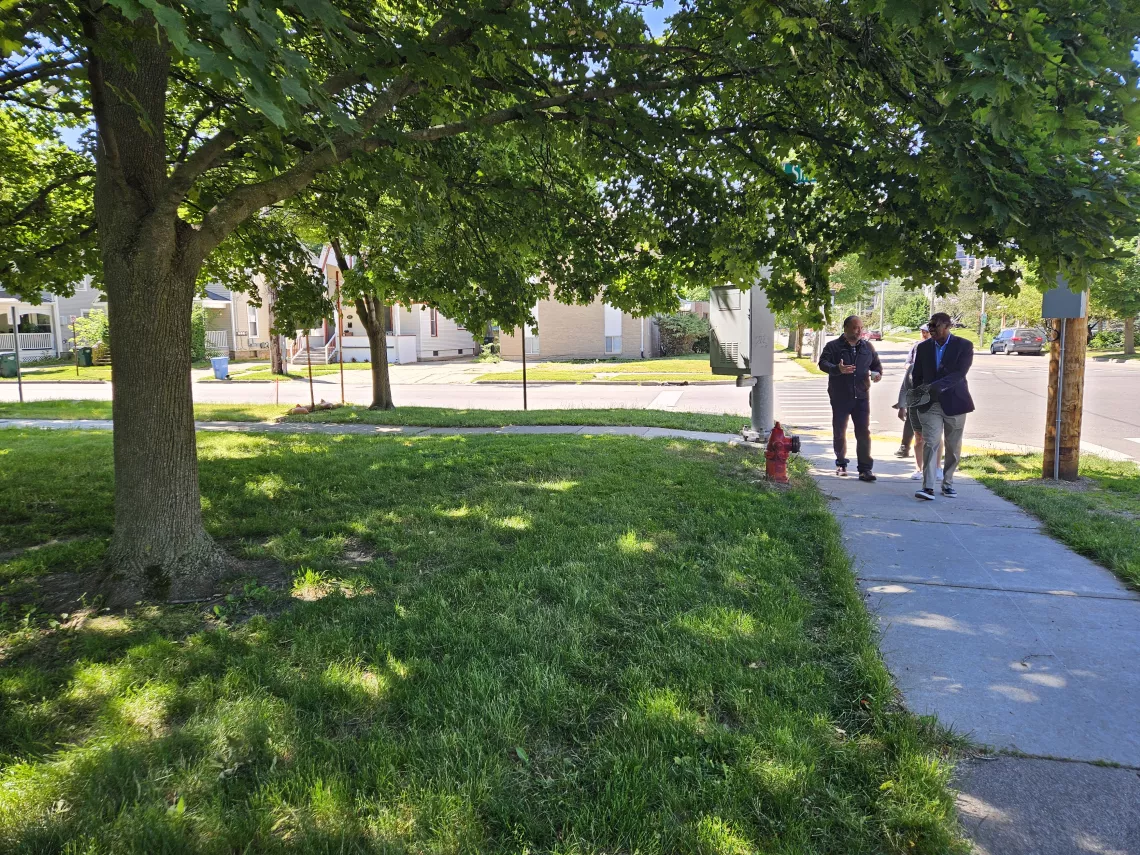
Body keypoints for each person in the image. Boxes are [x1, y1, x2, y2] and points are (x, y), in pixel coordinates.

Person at [911, 312, 975, 500]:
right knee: (931, 442)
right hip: (930, 404)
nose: (931, 329)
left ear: (947, 327)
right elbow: (917, 375)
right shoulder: (922, 348)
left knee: (953, 446)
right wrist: (921, 394)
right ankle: (928, 487)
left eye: (935, 325)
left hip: (955, 402)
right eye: (929, 325)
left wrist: (934, 387)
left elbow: (959, 374)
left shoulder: (964, 345)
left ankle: (947, 483)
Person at [818, 315, 882, 481]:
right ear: (845, 328)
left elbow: (875, 365)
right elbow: (822, 363)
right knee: (840, 431)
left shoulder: (867, 347)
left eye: (861, 327)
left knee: (863, 432)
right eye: (855, 328)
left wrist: (877, 374)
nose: (859, 331)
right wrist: (837, 368)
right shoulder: (833, 346)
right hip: (840, 396)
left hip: (861, 396)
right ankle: (841, 463)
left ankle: (865, 469)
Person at [893, 324, 943, 482]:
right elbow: (904, 387)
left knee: (935, 436)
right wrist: (902, 407)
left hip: (934, 405)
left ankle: (937, 468)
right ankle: (919, 469)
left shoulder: (938, 367)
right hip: (916, 406)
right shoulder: (913, 366)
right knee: (919, 437)